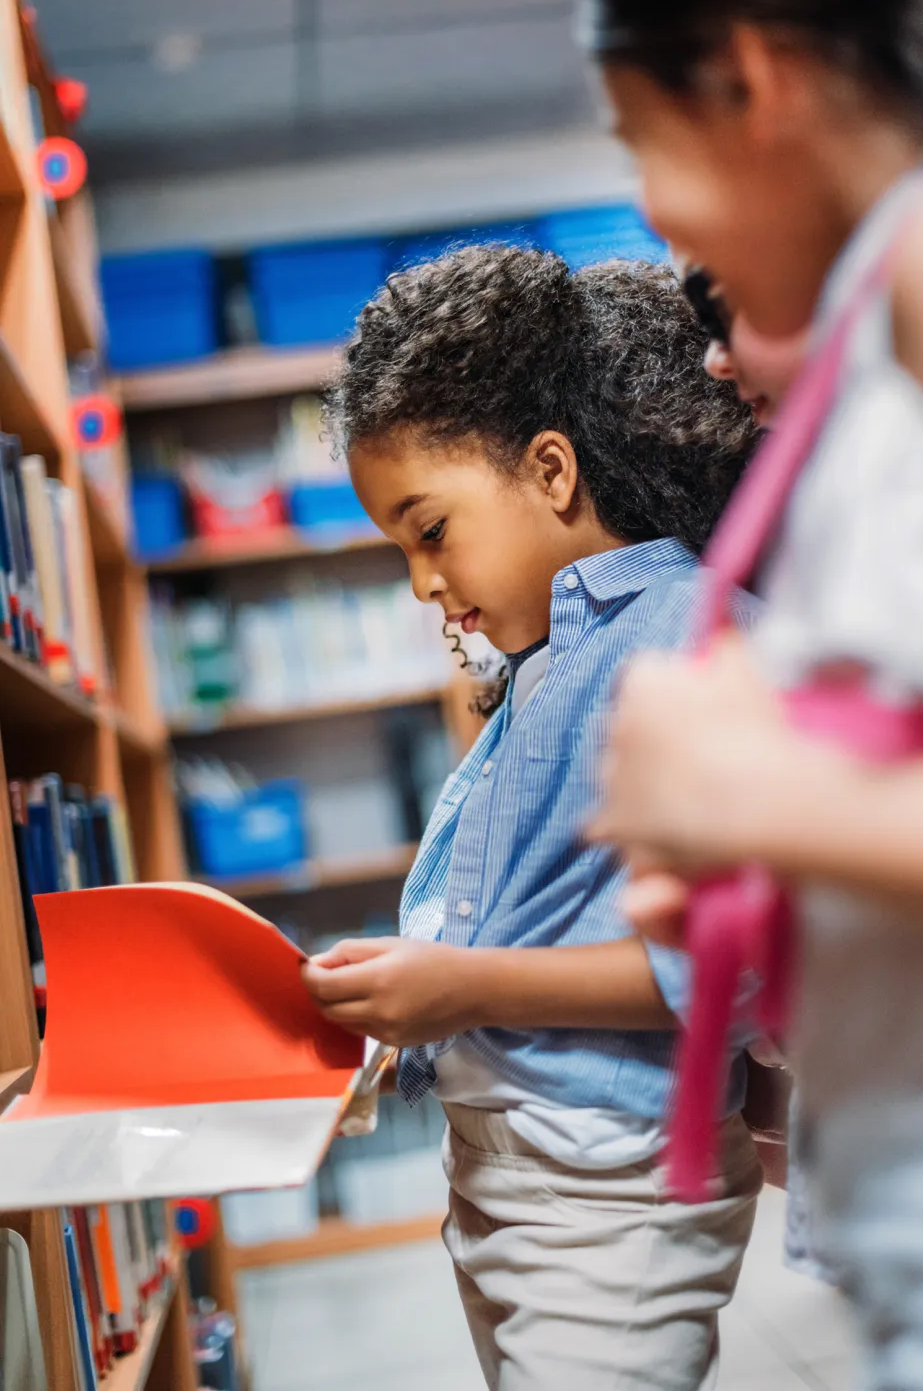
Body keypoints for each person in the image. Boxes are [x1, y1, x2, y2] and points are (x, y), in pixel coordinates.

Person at [586, 0, 923, 1388]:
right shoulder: (893, 331)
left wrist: (758, 800)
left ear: (750, 83)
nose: (648, 207)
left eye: (639, 139)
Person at [303, 246, 762, 1391]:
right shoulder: (552, 657)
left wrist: (458, 987)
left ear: (550, 471)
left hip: (610, 1185)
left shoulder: (688, 638)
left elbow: (724, 970)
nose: (421, 584)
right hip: (510, 1177)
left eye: (431, 529)